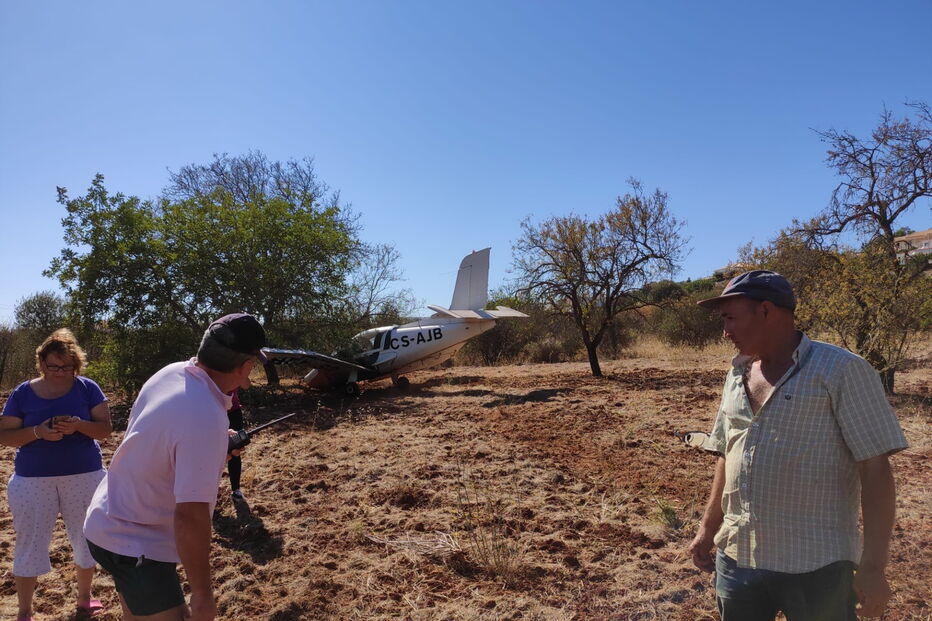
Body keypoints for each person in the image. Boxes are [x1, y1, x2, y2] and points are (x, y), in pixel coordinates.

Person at [687, 270, 908, 621]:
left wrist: (874, 567)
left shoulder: (842, 370)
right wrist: (707, 529)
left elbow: (876, 469)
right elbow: (727, 453)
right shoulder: (737, 372)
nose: (724, 331)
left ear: (765, 311)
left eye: (730, 318)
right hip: (737, 557)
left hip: (815, 567)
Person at [83, 313, 266, 621]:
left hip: (107, 518)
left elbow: (162, 436)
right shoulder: (205, 416)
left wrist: (217, 443)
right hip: (134, 542)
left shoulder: (172, 373)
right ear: (246, 366)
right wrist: (204, 596)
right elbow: (190, 516)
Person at [0, 328, 113, 620]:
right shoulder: (23, 392)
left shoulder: (88, 388)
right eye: (53, 366)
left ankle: (84, 600)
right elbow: (5, 435)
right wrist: (38, 432)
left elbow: (104, 430)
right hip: (32, 480)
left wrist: (78, 426)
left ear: (75, 364)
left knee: (86, 538)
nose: (59, 372)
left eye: (66, 366)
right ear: (42, 363)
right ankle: (25, 612)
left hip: (84, 475)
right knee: (30, 544)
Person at [226, 388, 245, 500]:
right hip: (214, 411)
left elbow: (246, 384)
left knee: (235, 449)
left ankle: (236, 489)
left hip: (234, 412)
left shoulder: (234, 371)